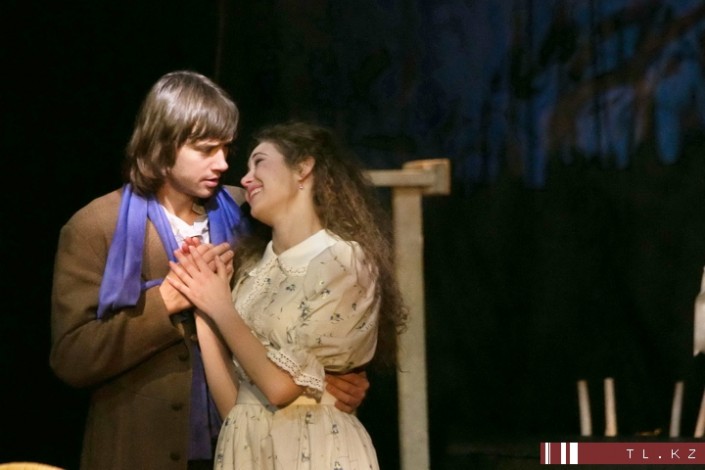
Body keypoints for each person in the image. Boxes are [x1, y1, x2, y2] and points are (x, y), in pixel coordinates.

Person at [50, 71, 370, 470]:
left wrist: (333, 376)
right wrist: (167, 300)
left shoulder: (249, 211)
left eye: (226, 148)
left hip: (252, 446)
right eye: (205, 150)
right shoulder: (97, 225)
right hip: (138, 450)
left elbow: (313, 303)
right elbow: (72, 358)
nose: (222, 163)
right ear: (162, 144)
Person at [166, 120, 408, 469]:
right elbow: (235, 406)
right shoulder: (253, 271)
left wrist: (219, 306)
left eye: (259, 162)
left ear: (303, 168)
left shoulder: (341, 259)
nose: (245, 178)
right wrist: (203, 303)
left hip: (313, 449)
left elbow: (280, 389)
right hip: (247, 451)